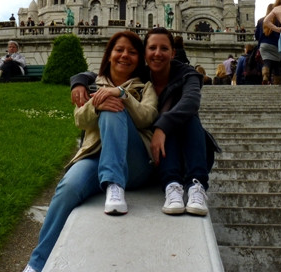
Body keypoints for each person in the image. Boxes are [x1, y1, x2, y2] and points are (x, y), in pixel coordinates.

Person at [23, 31, 157, 272]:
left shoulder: (145, 86)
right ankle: (36, 264)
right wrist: (97, 103)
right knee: (67, 188)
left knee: (113, 107)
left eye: (132, 52)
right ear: (110, 54)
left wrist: (122, 95)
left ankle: (115, 185)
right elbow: (80, 121)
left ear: (139, 59)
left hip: (134, 163)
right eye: (119, 50)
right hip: (95, 157)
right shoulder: (93, 84)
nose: (124, 55)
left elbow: (148, 116)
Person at [71, 27, 218, 218]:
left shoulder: (188, 74)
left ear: (173, 52)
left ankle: (196, 185)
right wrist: (79, 80)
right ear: (145, 54)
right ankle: (171, 186)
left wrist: (161, 128)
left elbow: (190, 102)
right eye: (152, 48)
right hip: (153, 156)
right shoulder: (141, 76)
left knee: (187, 117)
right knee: (114, 106)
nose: (158, 53)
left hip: (183, 148)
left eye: (164, 49)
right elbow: (104, 73)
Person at [255, 3, 281, 86]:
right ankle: (277, 83)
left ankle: (265, 75)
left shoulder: (260, 21)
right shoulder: (279, 20)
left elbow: (256, 36)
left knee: (266, 62)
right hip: (275, 45)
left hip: (264, 45)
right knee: (276, 65)